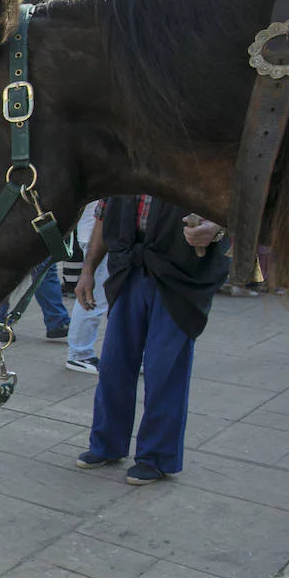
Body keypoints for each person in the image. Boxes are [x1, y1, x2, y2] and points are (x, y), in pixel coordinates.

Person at [75, 196, 229, 484]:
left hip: (178, 278)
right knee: (113, 366)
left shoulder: (194, 158)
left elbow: (236, 210)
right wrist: (88, 270)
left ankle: (156, 457)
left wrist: (215, 228)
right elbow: (103, 216)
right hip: (127, 271)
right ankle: (106, 445)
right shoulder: (124, 166)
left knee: (164, 370)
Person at [66, 203, 109, 373]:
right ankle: (79, 353)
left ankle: (80, 352)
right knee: (94, 298)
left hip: (97, 235)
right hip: (97, 237)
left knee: (96, 296)